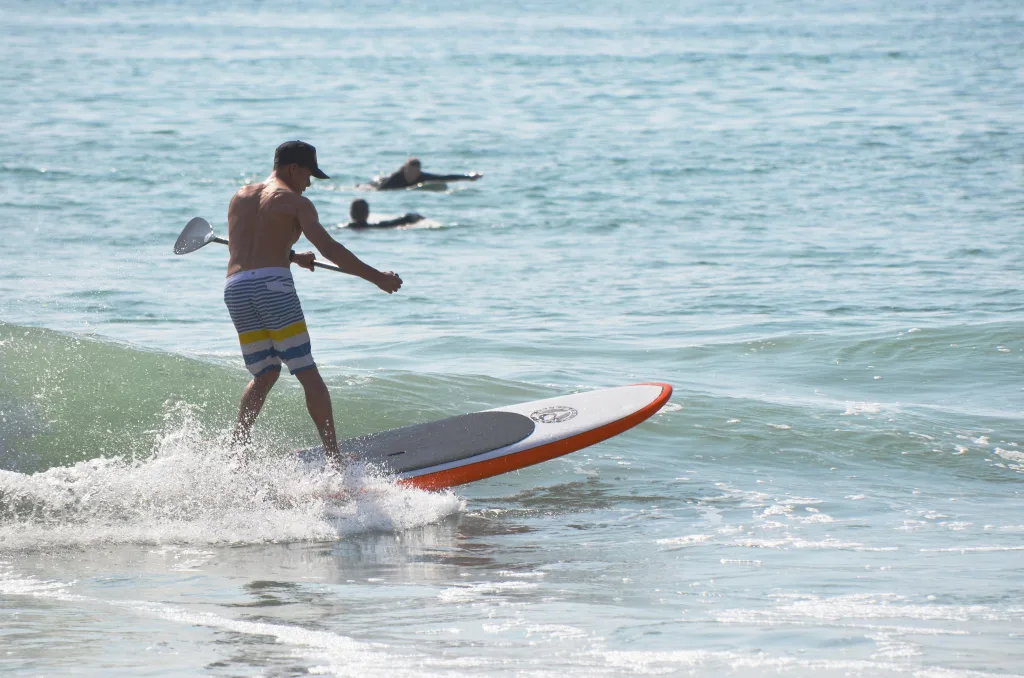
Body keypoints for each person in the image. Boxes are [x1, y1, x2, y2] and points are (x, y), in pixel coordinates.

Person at [223, 140, 403, 466]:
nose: (309, 184)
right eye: (309, 175)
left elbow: (248, 250)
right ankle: (335, 459)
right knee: (307, 371)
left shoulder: (241, 196)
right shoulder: (295, 203)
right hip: (272, 288)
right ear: (294, 168)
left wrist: (290, 256)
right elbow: (331, 250)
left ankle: (237, 451)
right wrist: (376, 277)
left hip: (235, 288)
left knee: (264, 373)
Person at [372, 157, 482, 190]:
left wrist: (468, 177)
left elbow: (445, 178)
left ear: (418, 172)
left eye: (414, 172)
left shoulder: (423, 177)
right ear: (404, 170)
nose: (410, 175)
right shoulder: (396, 177)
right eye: (408, 171)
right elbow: (381, 189)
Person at [345, 199, 424, 229]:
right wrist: (414, 217)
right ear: (367, 213)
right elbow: (397, 222)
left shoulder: (343, 228)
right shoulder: (377, 227)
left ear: (351, 213)